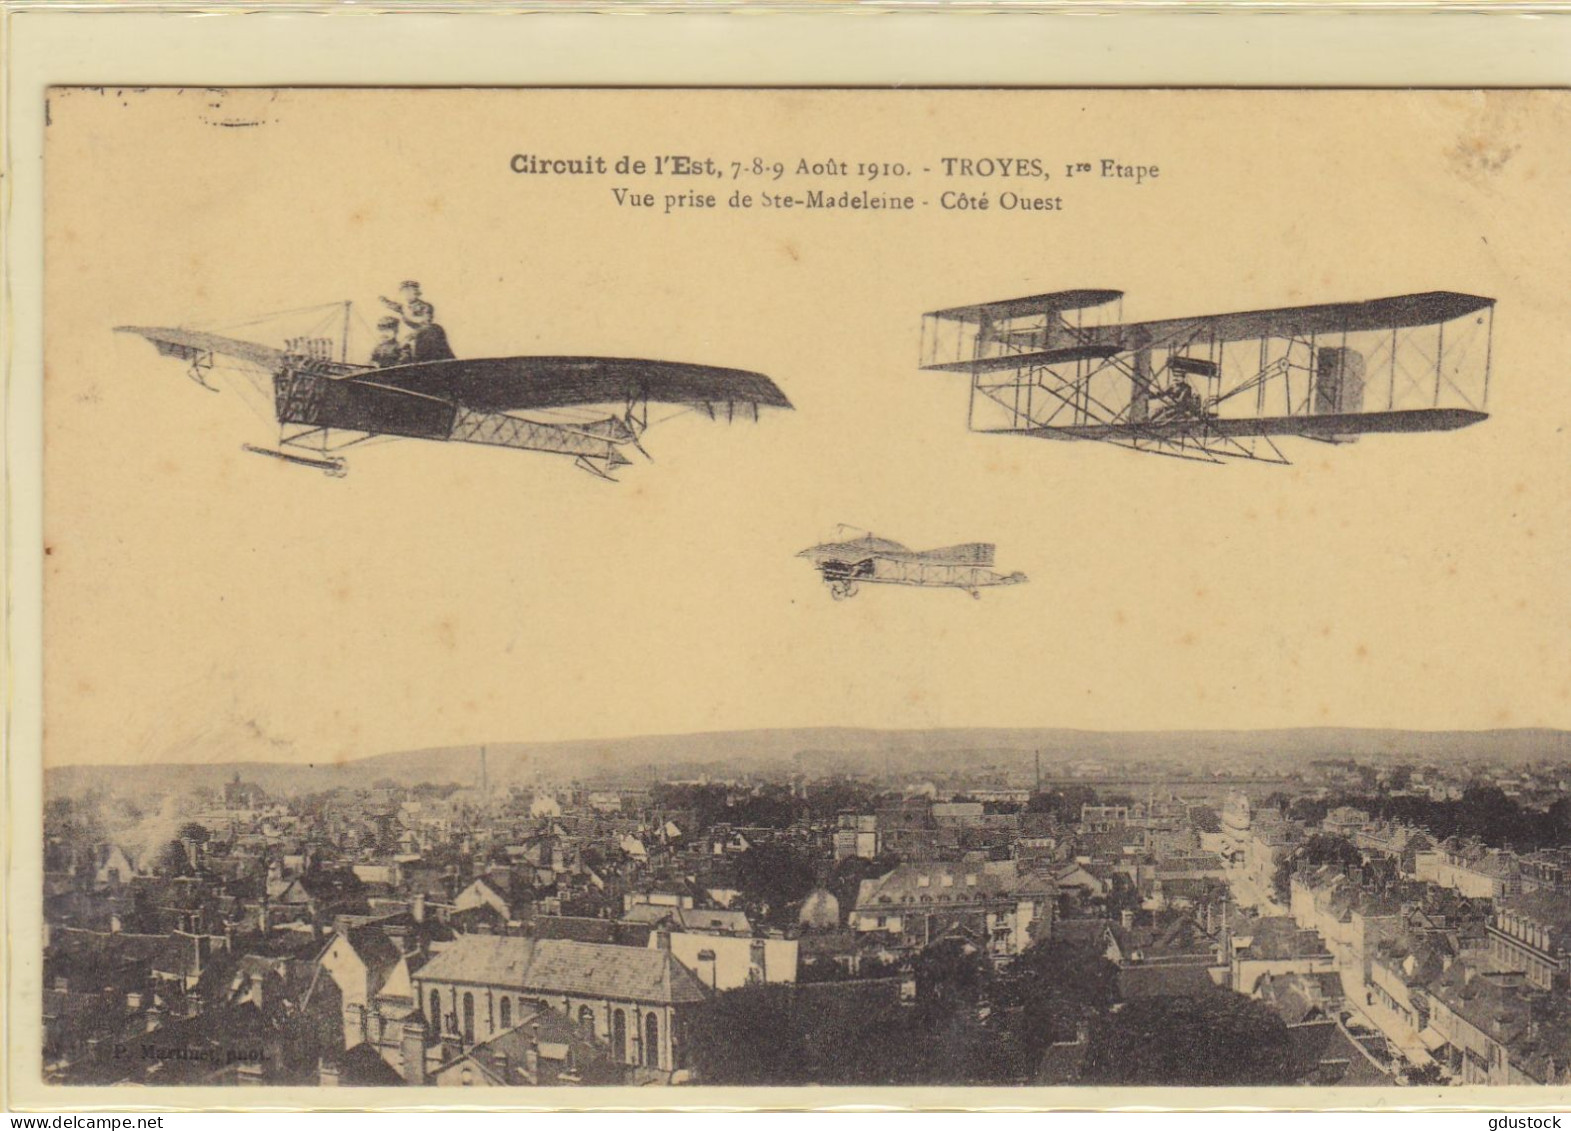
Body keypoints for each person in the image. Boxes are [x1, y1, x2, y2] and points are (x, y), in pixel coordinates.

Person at [380, 280, 455, 363]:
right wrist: (383, 300)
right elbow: (393, 305)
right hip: (417, 333)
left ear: (416, 293)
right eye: (404, 293)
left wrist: (412, 333)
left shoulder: (425, 306)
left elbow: (426, 322)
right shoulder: (405, 307)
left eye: (409, 292)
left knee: (418, 342)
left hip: (427, 331)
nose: (406, 295)